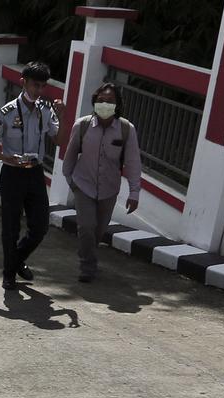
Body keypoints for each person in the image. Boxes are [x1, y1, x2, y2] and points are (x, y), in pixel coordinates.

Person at [0, 61, 64, 289]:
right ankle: (8, 274)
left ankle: (16, 260)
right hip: (12, 173)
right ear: (24, 83)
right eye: (35, 85)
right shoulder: (7, 112)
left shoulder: (47, 111)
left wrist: (63, 116)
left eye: (42, 86)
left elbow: (59, 141)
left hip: (35, 173)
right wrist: (6, 158)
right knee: (11, 226)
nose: (38, 90)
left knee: (40, 227)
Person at [61, 82, 143, 282]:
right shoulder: (83, 125)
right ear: (94, 102)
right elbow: (70, 155)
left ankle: (89, 254)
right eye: (101, 101)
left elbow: (132, 162)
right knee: (87, 226)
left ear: (117, 105)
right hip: (83, 185)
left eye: (109, 101)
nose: (104, 104)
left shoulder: (126, 129)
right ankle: (87, 266)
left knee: (98, 230)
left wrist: (134, 193)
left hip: (109, 188)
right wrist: (71, 180)